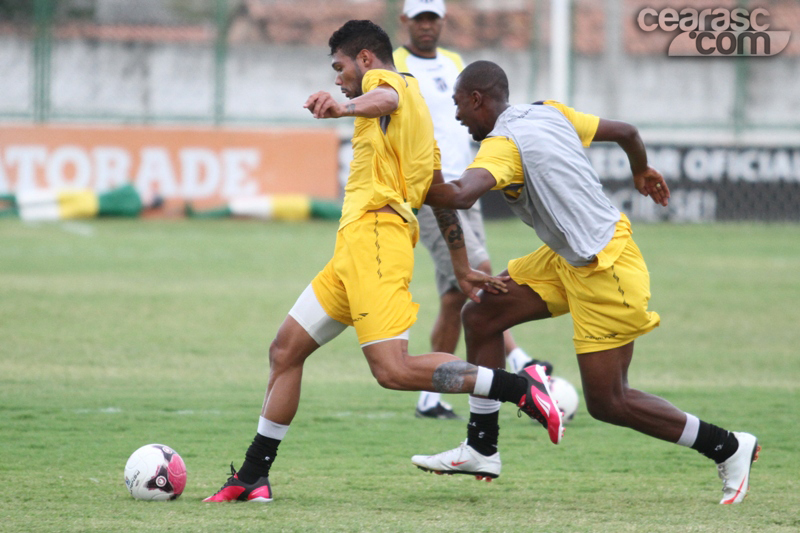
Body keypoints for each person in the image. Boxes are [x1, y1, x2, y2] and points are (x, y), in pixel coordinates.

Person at [203, 22, 564, 503]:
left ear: (366, 59)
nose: (337, 80)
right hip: (352, 251)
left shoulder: (387, 84)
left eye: (340, 68)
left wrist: (344, 107)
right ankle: (252, 477)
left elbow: (385, 97)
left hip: (377, 240)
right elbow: (439, 195)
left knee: (392, 371)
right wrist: (460, 264)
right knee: (284, 351)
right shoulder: (418, 124)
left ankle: (519, 386)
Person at [412, 60, 760, 504]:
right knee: (481, 313)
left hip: (604, 268)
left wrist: (404, 178)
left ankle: (728, 446)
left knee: (609, 402)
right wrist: (641, 170)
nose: (458, 116)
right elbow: (628, 132)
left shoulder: (502, 144)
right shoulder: (549, 111)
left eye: (460, 105)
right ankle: (481, 448)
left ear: (478, 98)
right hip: (568, 257)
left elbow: (460, 195)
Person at [394, 0, 545, 420]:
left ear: (442, 21)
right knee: (477, 267)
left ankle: (430, 394)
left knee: (450, 296)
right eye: (418, 18)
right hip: (434, 190)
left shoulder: (455, 63)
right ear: (404, 21)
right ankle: (522, 363)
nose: (426, 26)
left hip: (468, 184)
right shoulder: (396, 66)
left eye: (432, 18)